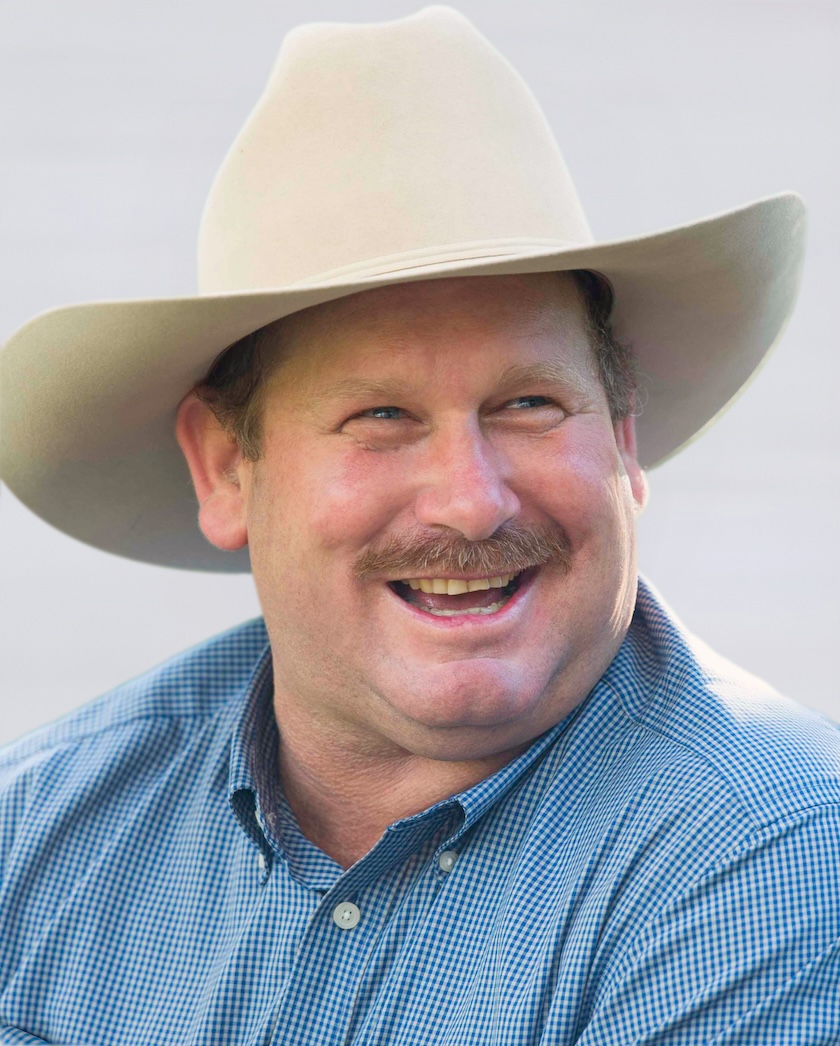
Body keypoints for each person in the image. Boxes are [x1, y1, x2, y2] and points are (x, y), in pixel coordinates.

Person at [0, 7, 837, 1045]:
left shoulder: (768, 850)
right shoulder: (36, 832)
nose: (472, 499)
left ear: (625, 442)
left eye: (530, 403)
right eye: (382, 416)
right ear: (225, 468)